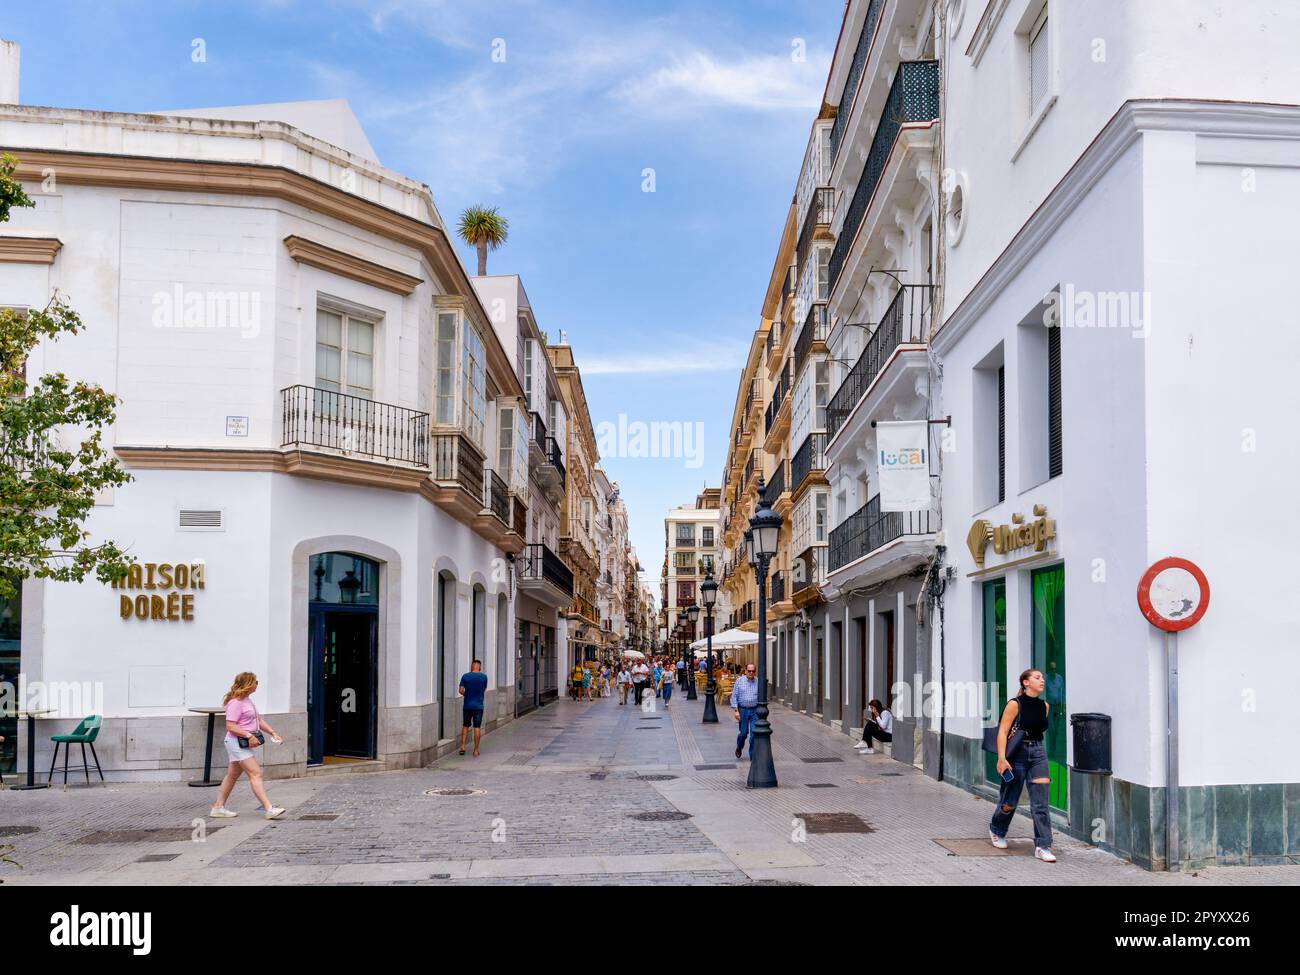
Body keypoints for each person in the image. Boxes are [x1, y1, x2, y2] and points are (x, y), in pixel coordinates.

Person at [989, 668, 1056, 862]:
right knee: (1009, 802)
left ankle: (1043, 846)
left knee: (1041, 804)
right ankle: (997, 828)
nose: (1042, 680)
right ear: (1026, 683)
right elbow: (1003, 732)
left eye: (1042, 677)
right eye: (1037, 677)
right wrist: (1002, 758)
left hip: (1038, 755)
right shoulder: (1014, 704)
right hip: (1016, 755)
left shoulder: (1045, 705)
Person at [209, 672, 286, 820]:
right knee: (255, 773)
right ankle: (269, 808)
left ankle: (218, 807)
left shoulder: (247, 700)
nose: (257, 684)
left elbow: (258, 720)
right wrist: (249, 736)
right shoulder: (235, 703)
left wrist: (272, 732)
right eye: (255, 681)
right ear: (249, 684)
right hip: (236, 743)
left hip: (241, 742)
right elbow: (230, 726)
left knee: (232, 776)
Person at [458, 659, 489, 756]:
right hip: (478, 706)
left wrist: (467, 695)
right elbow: (484, 689)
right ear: (479, 667)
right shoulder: (484, 677)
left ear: (472, 666)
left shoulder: (465, 676)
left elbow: (461, 690)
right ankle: (476, 750)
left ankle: (462, 746)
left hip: (467, 705)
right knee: (477, 727)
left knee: (465, 725)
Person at [730, 663, 760, 760]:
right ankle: (739, 747)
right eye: (749, 671)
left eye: (753, 671)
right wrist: (736, 711)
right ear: (745, 671)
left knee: (754, 734)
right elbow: (734, 696)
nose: (751, 673)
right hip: (743, 710)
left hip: (755, 711)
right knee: (743, 733)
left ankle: (752, 756)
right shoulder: (739, 681)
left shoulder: (758, 682)